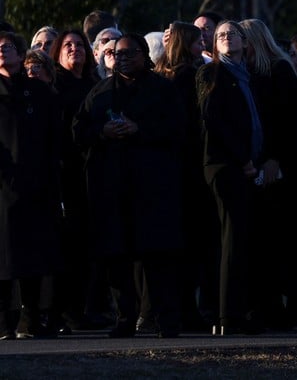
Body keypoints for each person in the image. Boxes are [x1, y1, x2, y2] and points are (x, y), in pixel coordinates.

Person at [72, 34, 186, 338]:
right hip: (112, 187)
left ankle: (165, 319)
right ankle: (125, 318)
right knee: (117, 257)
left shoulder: (163, 90)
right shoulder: (100, 93)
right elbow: (78, 131)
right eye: (115, 54)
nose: (121, 59)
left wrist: (140, 129)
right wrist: (103, 131)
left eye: (128, 54)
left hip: (153, 187)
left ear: (144, 56)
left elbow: (179, 129)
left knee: (157, 257)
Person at [197, 20, 280, 335]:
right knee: (231, 242)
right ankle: (228, 316)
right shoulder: (212, 73)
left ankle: (243, 310)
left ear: (246, 43)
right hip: (225, 166)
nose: (227, 37)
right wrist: (243, 159)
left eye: (232, 33)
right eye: (220, 35)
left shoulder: (253, 79)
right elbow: (213, 120)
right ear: (215, 45)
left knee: (244, 240)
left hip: (249, 168)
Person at [238, 18, 297, 329]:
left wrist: (276, 157)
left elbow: (289, 119)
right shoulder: (242, 72)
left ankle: (276, 306)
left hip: (275, 164)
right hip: (250, 164)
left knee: (275, 237)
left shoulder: (279, 69)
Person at [0, 31, 63, 340]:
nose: (2, 51)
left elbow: (54, 137)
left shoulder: (38, 92)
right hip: (2, 185)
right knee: (3, 253)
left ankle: (30, 318)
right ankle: (3, 321)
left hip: (36, 183)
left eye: (8, 47)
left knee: (33, 254)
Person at [154, 21, 217, 331]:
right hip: (189, 168)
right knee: (192, 241)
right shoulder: (187, 78)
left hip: (175, 169)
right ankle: (187, 309)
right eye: (196, 40)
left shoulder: (165, 76)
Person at [48, 29, 105, 333]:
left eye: (80, 45)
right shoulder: (55, 86)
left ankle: (83, 308)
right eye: (67, 45)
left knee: (86, 245)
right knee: (68, 246)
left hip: (92, 173)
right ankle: (64, 311)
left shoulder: (95, 83)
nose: (75, 49)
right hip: (66, 173)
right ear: (57, 53)